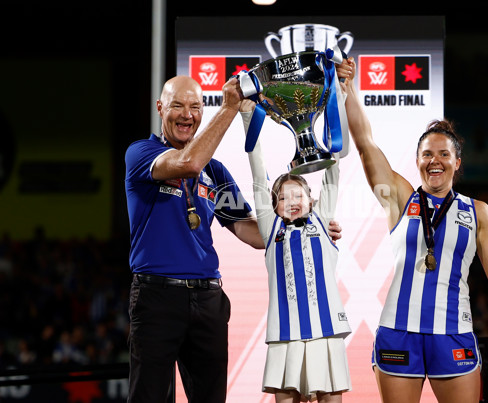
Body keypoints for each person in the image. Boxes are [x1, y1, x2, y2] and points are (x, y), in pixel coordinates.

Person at [124, 75, 342, 403]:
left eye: (195, 106)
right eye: (177, 106)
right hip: (157, 298)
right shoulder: (142, 154)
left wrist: (305, 225)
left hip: (208, 300)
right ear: (160, 109)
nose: (187, 114)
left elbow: (250, 231)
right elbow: (188, 162)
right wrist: (230, 108)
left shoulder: (215, 172)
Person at [336, 59, 488, 403]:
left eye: (443, 154)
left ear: (457, 162)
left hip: (452, 333)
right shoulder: (400, 198)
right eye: (427, 154)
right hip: (399, 332)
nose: (434, 160)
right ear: (418, 160)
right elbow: (365, 143)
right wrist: (348, 88)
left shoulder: (477, 212)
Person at [240, 100, 352, 403]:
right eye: (283, 197)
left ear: (312, 199)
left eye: (298, 194)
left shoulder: (322, 217)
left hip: (326, 330)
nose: (292, 200)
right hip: (284, 334)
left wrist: (336, 101)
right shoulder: (271, 228)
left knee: (331, 397)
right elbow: (257, 166)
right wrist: (247, 115)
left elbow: (334, 165)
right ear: (272, 206)